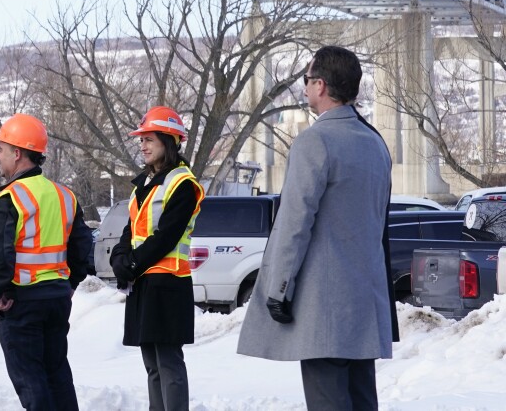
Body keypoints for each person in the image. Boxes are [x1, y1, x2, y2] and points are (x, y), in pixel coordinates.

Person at [237, 46, 396, 410]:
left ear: (321, 85)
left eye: (306, 81)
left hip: (324, 307)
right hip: (365, 304)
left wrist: (278, 289)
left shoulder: (316, 141)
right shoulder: (376, 144)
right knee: (361, 402)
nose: (305, 88)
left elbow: (294, 223)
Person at [0, 114, 91, 411]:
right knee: (57, 375)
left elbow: (0, 255)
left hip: (22, 302)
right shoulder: (64, 195)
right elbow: (82, 246)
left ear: (17, 154)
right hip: (56, 298)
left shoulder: (9, 199)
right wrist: (69, 282)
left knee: (31, 382)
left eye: (1, 149)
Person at [109, 106, 204, 411]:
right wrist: (120, 259)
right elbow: (132, 227)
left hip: (168, 284)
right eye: (141, 140)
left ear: (169, 140)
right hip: (145, 282)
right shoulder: (147, 185)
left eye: (149, 139)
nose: (143, 146)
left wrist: (133, 263)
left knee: (168, 363)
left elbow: (167, 236)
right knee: (152, 363)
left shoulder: (183, 184)